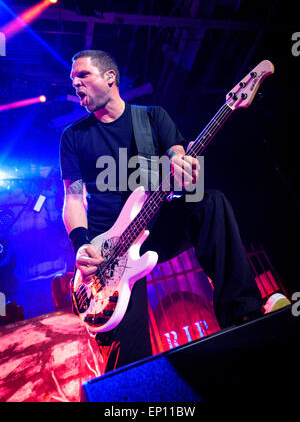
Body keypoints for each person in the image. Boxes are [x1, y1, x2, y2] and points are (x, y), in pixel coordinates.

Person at [59, 49, 263, 373]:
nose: (75, 84)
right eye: (73, 80)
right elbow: (72, 199)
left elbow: (180, 163)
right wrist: (82, 244)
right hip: (107, 254)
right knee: (128, 358)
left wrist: (185, 171)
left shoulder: (152, 117)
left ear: (110, 77)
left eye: (82, 75)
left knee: (209, 202)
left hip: (154, 224)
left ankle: (245, 313)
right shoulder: (72, 137)